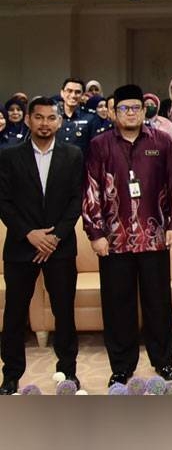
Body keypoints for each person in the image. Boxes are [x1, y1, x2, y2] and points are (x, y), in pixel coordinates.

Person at [82, 84, 172, 386]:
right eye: (124, 108)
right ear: (113, 112)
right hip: (113, 240)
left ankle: (163, 361)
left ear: (144, 110)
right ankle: (122, 366)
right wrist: (95, 231)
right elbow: (91, 189)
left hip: (154, 237)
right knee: (117, 305)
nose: (130, 113)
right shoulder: (100, 144)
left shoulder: (162, 142)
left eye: (136, 108)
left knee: (158, 303)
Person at [0, 97, 84, 395]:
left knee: (64, 311)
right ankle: (11, 375)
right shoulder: (9, 156)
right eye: (39, 117)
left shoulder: (73, 155)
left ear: (59, 122)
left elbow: (77, 200)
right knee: (14, 314)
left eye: (51, 118)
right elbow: (4, 203)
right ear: (27, 120)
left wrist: (56, 236)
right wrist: (30, 234)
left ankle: (68, 370)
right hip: (21, 248)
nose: (45, 123)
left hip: (60, 248)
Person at [56, 78, 98, 155]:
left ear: (82, 95)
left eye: (77, 92)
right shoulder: (53, 116)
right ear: (62, 93)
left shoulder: (90, 117)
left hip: (80, 165)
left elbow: (94, 148)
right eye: (69, 91)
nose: (73, 95)